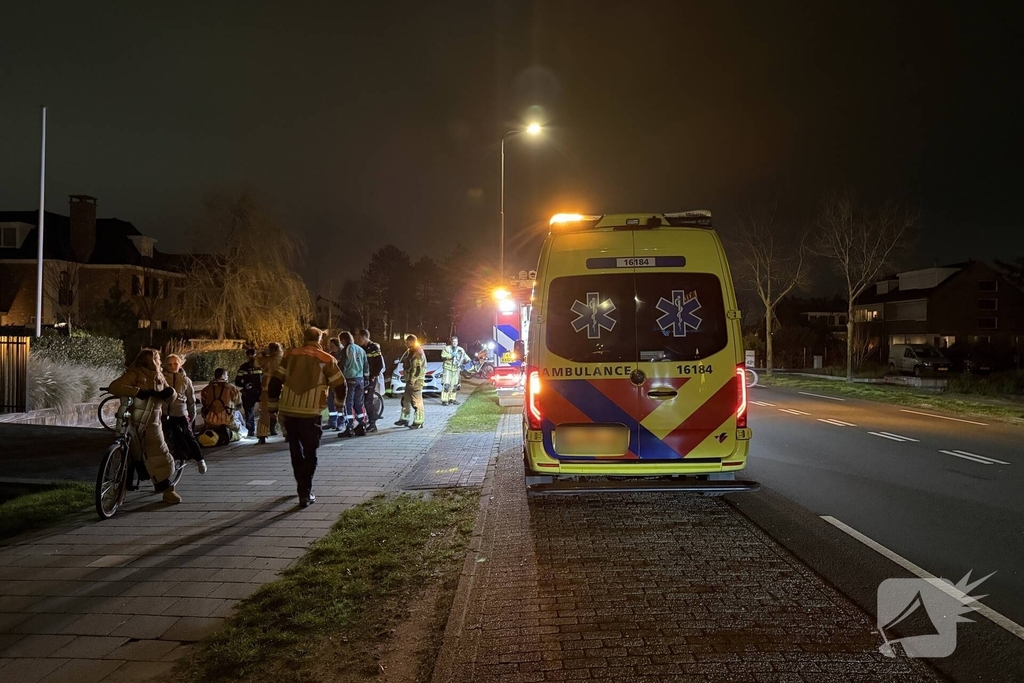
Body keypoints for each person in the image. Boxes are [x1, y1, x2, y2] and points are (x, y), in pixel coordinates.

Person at [267, 326, 347, 507]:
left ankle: (301, 488)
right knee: (310, 452)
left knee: (295, 450)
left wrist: (272, 407)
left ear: (304, 338)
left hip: (289, 410)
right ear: (319, 340)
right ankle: (305, 492)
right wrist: (339, 404)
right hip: (311, 412)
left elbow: (275, 382)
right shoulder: (327, 359)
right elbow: (340, 384)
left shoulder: (290, 356)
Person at [108, 348, 181, 504]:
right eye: (158, 358)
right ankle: (120, 491)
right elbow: (115, 387)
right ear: (151, 360)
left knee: (157, 455)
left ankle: (166, 488)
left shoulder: (159, 376)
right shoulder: (134, 374)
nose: (160, 361)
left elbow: (170, 395)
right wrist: (138, 392)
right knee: (128, 456)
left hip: (151, 423)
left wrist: (170, 393)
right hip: (131, 421)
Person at [164, 354, 206, 473]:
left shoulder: (185, 380)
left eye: (175, 364)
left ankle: (200, 459)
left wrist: (191, 416)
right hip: (164, 413)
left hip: (180, 413)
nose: (173, 366)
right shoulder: (161, 379)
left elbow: (191, 400)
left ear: (180, 364)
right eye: (169, 364)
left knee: (189, 436)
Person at [338, 331, 368, 437]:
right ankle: (362, 425)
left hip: (350, 379)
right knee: (359, 403)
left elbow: (343, 365)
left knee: (349, 403)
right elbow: (366, 365)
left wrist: (339, 378)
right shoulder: (361, 349)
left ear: (343, 340)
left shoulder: (345, 350)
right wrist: (366, 378)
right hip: (360, 379)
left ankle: (349, 427)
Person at [200, 368, 241, 442]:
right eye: (226, 375)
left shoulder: (206, 389)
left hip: (210, 421)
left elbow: (204, 404)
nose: (227, 376)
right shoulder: (232, 388)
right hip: (227, 421)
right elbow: (238, 404)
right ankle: (230, 435)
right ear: (223, 376)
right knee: (239, 431)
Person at [395, 334, 426, 429]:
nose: (405, 343)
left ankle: (418, 422)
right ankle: (405, 419)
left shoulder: (417, 352)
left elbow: (417, 369)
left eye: (407, 341)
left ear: (412, 341)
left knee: (417, 402)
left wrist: (413, 380)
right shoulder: (411, 351)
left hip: (415, 382)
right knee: (406, 401)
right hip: (410, 381)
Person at [356, 328, 383, 433]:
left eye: (359, 337)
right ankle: (364, 422)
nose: (358, 339)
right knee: (361, 401)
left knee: (368, 401)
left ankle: (372, 424)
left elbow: (379, 364)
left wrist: (373, 376)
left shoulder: (374, 347)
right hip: (362, 378)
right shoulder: (361, 348)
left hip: (370, 378)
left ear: (364, 337)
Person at [256, 342, 283, 444]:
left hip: (267, 388)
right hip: (282, 387)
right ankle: (287, 433)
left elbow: (255, 363)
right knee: (284, 410)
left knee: (265, 412)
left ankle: (262, 434)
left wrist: (260, 353)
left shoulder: (266, 360)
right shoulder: (284, 359)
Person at [234, 348, 263, 436]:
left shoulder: (245, 367)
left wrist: (245, 385)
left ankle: (252, 430)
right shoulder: (260, 366)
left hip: (252, 392)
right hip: (257, 391)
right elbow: (237, 381)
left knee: (251, 411)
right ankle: (263, 430)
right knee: (261, 411)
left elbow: (237, 381)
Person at [441, 335, 468, 406]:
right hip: (448, 369)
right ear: (451, 342)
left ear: (458, 342)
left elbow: (466, 357)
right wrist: (451, 355)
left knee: (455, 385)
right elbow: (443, 356)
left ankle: (452, 399)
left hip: (456, 369)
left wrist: (471, 363)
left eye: (456, 341)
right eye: (453, 341)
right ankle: (444, 400)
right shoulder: (447, 348)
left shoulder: (460, 350)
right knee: (446, 385)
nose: (455, 343)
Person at [325, 337, 344, 430]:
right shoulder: (330, 355)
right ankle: (332, 422)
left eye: (332, 345)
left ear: (337, 345)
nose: (330, 347)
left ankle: (341, 422)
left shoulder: (342, 354)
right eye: (330, 345)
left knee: (339, 403)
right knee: (330, 402)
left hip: (339, 382)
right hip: (331, 382)